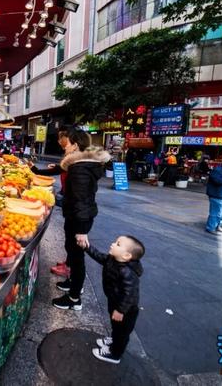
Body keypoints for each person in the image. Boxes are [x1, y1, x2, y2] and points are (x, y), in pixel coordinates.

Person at [51, 130, 111, 311]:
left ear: (75, 145)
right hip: (77, 216)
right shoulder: (83, 165)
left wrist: (82, 230)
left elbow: (82, 199)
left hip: (80, 218)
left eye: (67, 143)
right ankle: (72, 283)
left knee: (77, 258)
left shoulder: (79, 168)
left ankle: (74, 298)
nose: (64, 146)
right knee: (72, 251)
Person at [77, 235, 145, 364]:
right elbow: (98, 256)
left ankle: (115, 354)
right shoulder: (113, 259)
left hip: (126, 310)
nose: (113, 244)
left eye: (118, 244)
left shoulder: (127, 272)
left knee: (122, 333)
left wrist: (120, 311)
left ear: (126, 256)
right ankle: (114, 340)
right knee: (116, 327)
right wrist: (87, 247)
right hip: (115, 302)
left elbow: (129, 295)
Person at [29, 126, 73, 277]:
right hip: (70, 200)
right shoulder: (72, 158)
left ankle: (71, 269)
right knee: (69, 236)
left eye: (62, 138)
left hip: (75, 205)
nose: (60, 141)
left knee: (73, 239)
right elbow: (60, 169)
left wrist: (36, 170)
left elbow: (60, 171)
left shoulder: (76, 160)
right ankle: (69, 263)